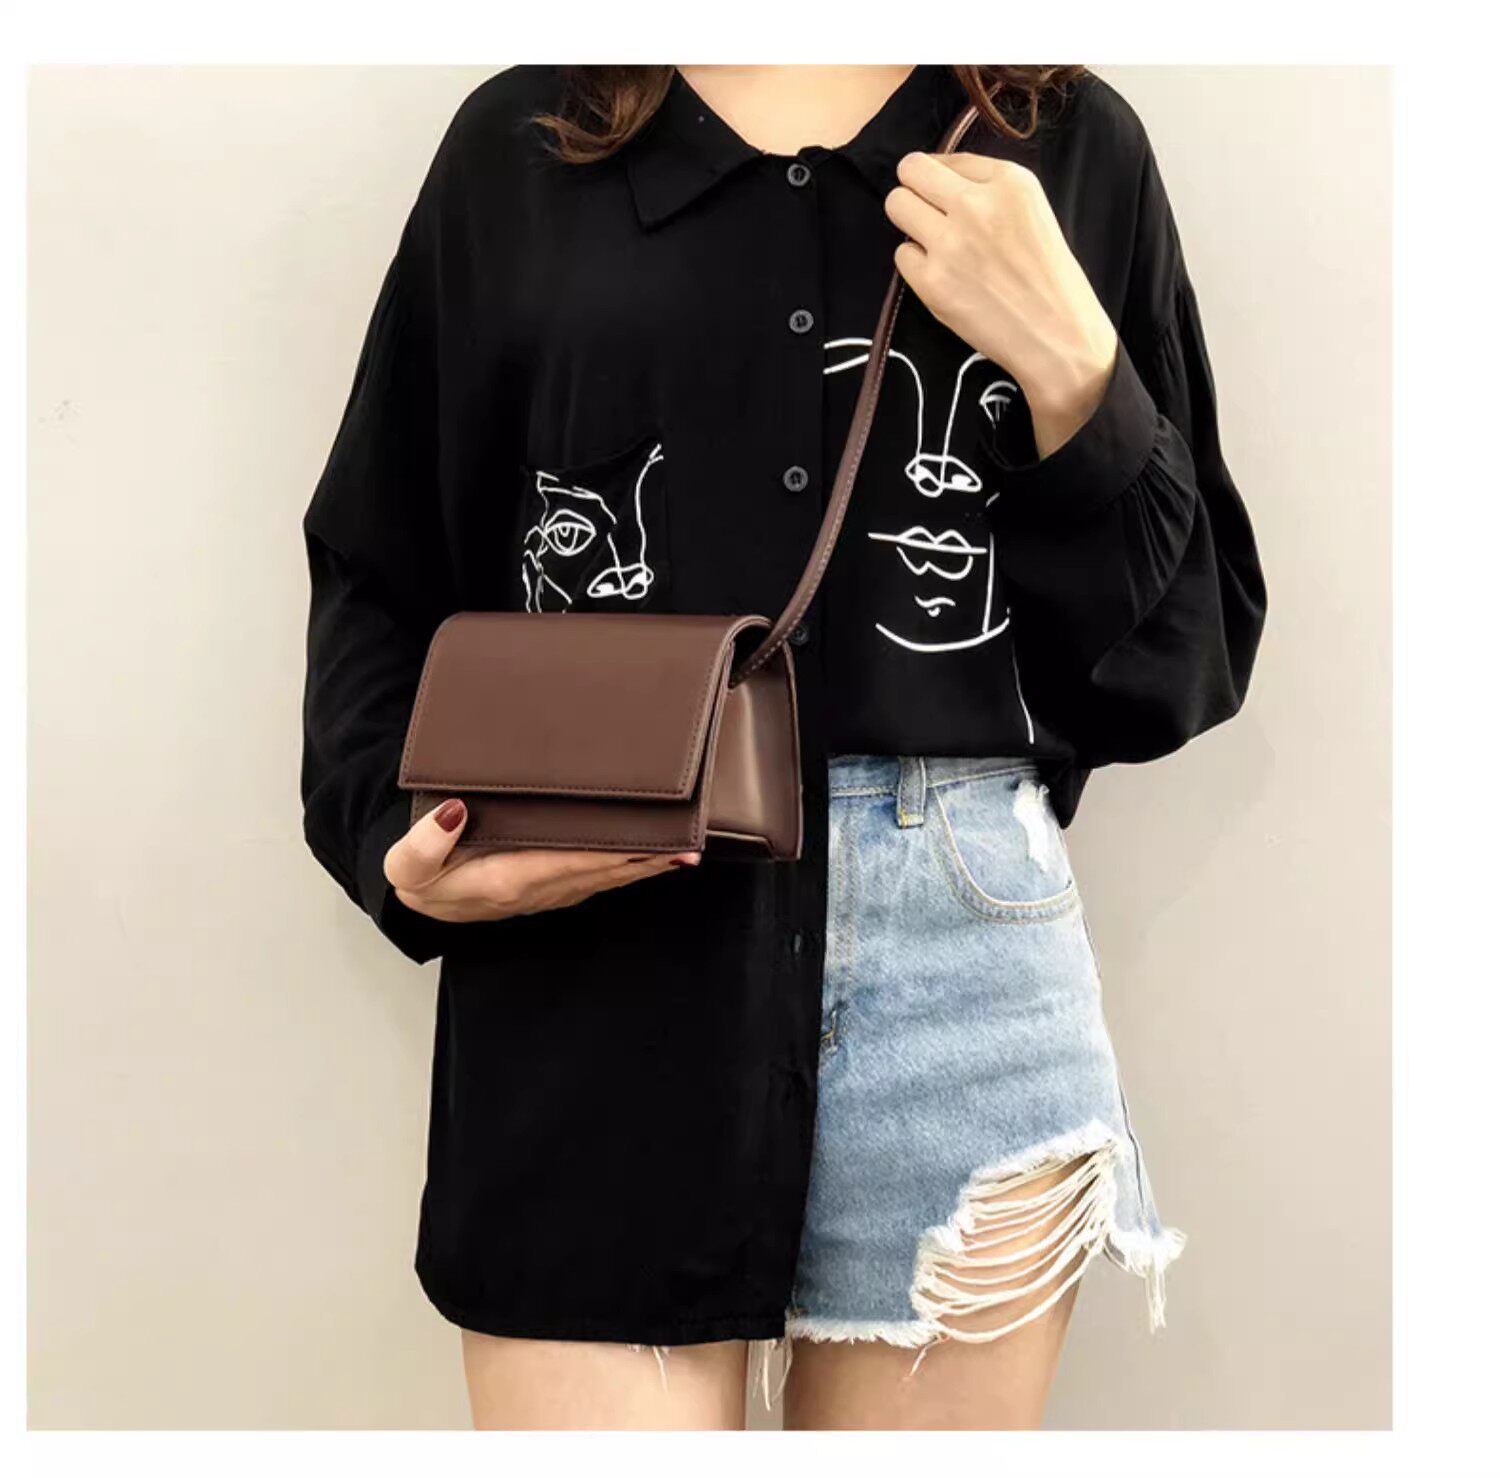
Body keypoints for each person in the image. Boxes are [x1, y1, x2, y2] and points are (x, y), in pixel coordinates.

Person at [300, 63, 1265, 1430]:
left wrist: (1073, 365)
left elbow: (1185, 648)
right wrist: (395, 840)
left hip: (967, 969)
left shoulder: (1063, 142)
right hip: (594, 951)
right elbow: (378, 564)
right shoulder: (523, 142)